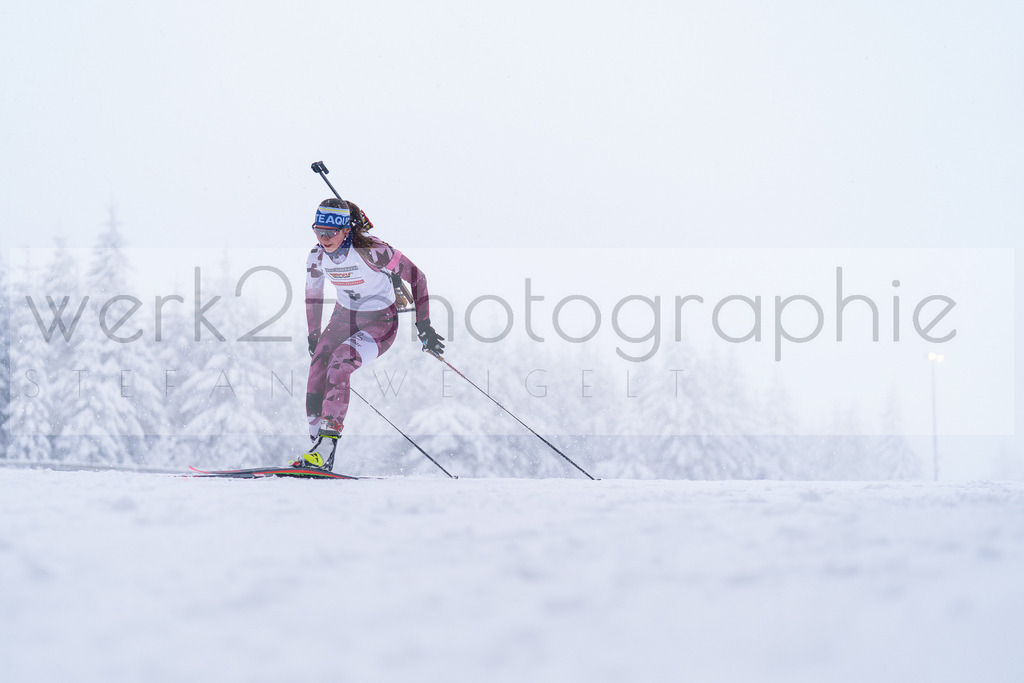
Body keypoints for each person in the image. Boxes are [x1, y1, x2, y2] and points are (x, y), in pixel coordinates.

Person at [294, 197, 444, 471]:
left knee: (339, 364)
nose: (324, 238)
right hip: (344, 318)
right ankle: (316, 449)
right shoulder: (316, 256)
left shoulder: (374, 251)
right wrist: (313, 335)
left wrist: (424, 326)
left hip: (380, 322)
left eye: (331, 232)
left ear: (347, 230)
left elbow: (418, 277)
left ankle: (327, 444)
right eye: (318, 231)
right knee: (317, 370)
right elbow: (313, 295)